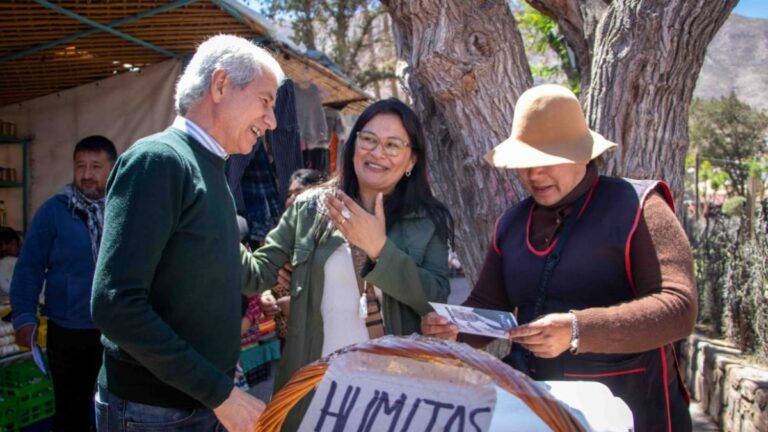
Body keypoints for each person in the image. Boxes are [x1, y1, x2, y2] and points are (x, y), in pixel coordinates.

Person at [422, 84, 696, 431]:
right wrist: (452, 330)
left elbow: (679, 309)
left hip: (634, 411)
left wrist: (578, 330)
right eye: (525, 163)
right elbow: (488, 305)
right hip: (540, 412)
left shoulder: (639, 207)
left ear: (583, 154)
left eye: (546, 160)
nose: (533, 175)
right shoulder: (511, 224)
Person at [90, 35, 283, 432]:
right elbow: (115, 303)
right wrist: (220, 394)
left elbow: (236, 271)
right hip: (152, 412)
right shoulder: (159, 160)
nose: (272, 121)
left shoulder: (210, 169)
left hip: (196, 404)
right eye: (265, 101)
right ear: (220, 85)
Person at [241, 98, 454, 429]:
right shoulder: (310, 208)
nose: (377, 152)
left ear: (411, 159)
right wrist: (214, 221)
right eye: (368, 139)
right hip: (315, 393)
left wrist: (380, 249)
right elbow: (255, 274)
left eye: (393, 145)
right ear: (353, 144)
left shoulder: (427, 219)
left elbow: (436, 299)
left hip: (394, 396)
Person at [10, 135, 117, 432]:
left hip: (118, 332)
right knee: (72, 414)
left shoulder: (124, 210)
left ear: (112, 169)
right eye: (80, 165)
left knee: (114, 410)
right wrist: (23, 316)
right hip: (68, 333)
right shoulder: (54, 212)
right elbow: (29, 267)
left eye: (96, 166)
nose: (86, 174)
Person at [260, 168, 325, 344]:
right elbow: (267, 278)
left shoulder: (329, 240)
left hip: (320, 339)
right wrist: (267, 297)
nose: (292, 200)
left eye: (299, 193)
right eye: (289, 194)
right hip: (285, 341)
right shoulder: (277, 239)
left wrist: (298, 307)